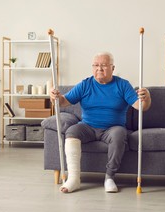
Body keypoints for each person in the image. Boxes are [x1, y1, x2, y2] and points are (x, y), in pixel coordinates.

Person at [50, 52, 151, 193]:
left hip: (113, 128)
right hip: (88, 127)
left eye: (103, 65)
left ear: (112, 68)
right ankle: (74, 179)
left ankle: (109, 178)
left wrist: (146, 98)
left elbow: (140, 106)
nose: (99, 69)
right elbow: (63, 102)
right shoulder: (85, 84)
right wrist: (55, 97)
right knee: (72, 131)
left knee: (119, 134)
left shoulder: (122, 85)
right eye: (96, 65)